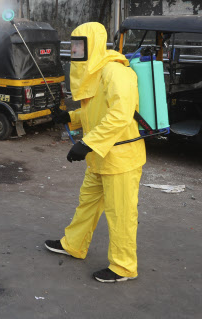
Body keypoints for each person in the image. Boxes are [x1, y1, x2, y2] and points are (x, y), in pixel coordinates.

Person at [45, 22, 146, 283]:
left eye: (81, 45)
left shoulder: (115, 71)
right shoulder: (96, 74)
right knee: (87, 204)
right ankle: (74, 244)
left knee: (121, 214)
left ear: (95, 45)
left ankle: (123, 267)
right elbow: (95, 111)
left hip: (121, 159)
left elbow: (120, 114)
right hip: (100, 158)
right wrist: (70, 116)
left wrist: (87, 143)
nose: (76, 50)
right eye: (74, 45)